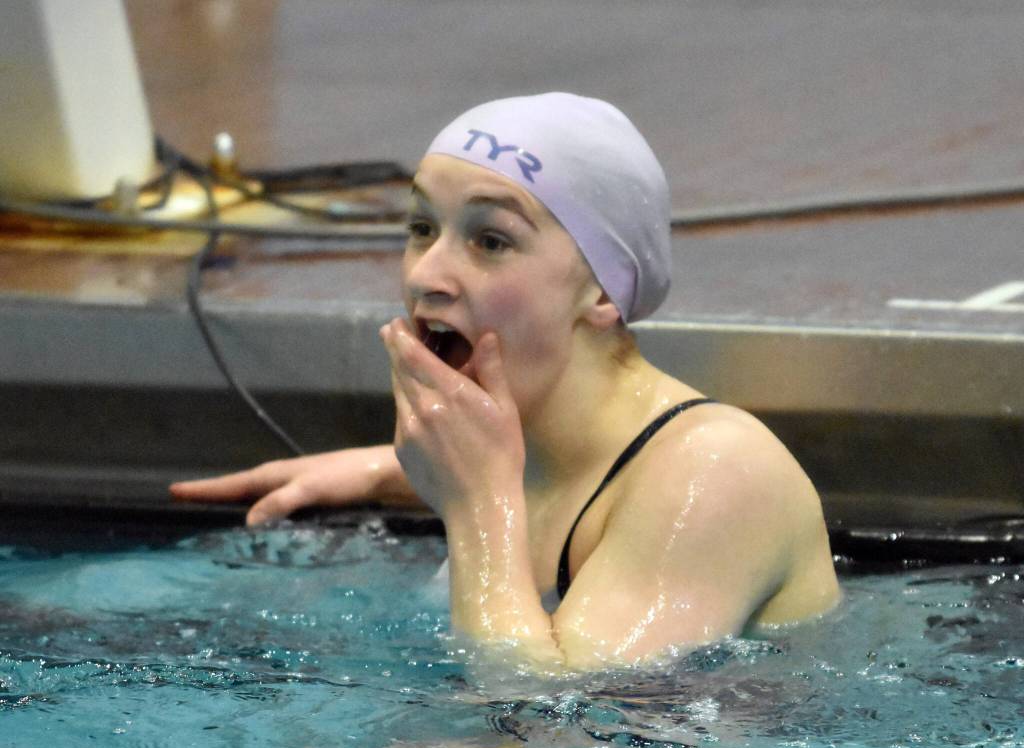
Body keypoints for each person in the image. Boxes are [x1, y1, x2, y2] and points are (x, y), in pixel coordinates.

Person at [171, 93, 840, 671]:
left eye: (490, 240)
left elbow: (548, 726)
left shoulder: (720, 473)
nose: (425, 275)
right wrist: (389, 469)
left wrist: (475, 506)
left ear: (601, 290)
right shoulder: (529, 449)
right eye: (421, 228)